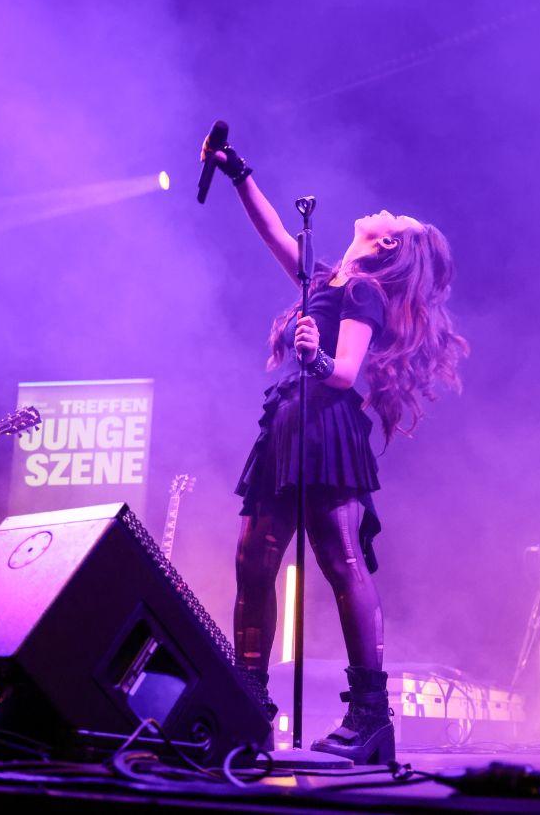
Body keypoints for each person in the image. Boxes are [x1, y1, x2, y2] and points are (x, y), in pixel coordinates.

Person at [202, 135, 467, 764]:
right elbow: (273, 233)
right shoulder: (330, 275)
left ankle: (371, 716)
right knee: (252, 559)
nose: (385, 210)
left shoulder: (364, 292)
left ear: (389, 244)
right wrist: (237, 170)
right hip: (290, 419)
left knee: (342, 559)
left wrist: (312, 354)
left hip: (324, 424)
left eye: (395, 218)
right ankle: (249, 703)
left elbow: (345, 371)